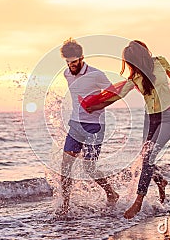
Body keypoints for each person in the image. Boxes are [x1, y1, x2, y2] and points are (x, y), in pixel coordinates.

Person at [83, 40, 170, 219]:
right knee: (145, 157)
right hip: (151, 118)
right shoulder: (135, 78)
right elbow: (116, 95)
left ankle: (138, 203)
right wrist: (95, 106)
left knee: (149, 157)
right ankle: (160, 181)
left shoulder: (160, 62)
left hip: (169, 117)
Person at [58, 38, 119, 216]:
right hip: (75, 124)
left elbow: (113, 94)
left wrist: (96, 106)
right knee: (65, 166)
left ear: (82, 58)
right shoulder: (66, 73)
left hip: (95, 126)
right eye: (68, 62)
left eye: (74, 62)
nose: (71, 65)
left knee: (89, 167)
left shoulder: (96, 74)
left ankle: (112, 194)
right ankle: (65, 206)